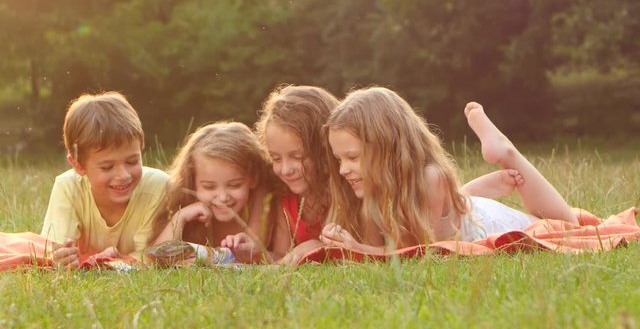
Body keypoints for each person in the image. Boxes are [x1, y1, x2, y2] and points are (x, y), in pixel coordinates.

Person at [319, 87, 578, 253]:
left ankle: (505, 151)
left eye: (352, 157)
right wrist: (341, 239)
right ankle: (467, 194)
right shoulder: (372, 191)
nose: (343, 169)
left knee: (568, 226)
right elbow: (378, 247)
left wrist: (357, 250)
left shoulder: (429, 178)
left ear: (388, 146)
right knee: (456, 206)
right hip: (459, 213)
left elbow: (421, 252)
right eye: (339, 159)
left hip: (487, 223)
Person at [41, 91, 170, 267]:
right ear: (78, 165)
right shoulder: (68, 187)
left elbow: (151, 256)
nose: (123, 175)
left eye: (132, 161)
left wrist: (118, 260)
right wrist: (62, 258)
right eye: (107, 167)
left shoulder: (157, 186)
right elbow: (53, 251)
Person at [150, 122, 280, 263]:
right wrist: (180, 217)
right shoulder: (184, 202)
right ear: (192, 182)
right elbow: (155, 258)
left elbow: (257, 251)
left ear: (252, 178)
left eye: (234, 185)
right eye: (209, 187)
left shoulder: (262, 200)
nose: (223, 197)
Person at [253, 85, 340, 263]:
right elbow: (281, 255)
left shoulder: (342, 194)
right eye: (276, 158)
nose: (285, 170)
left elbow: (341, 252)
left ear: (326, 150)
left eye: (297, 156)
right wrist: (251, 253)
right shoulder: (286, 199)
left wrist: (312, 247)